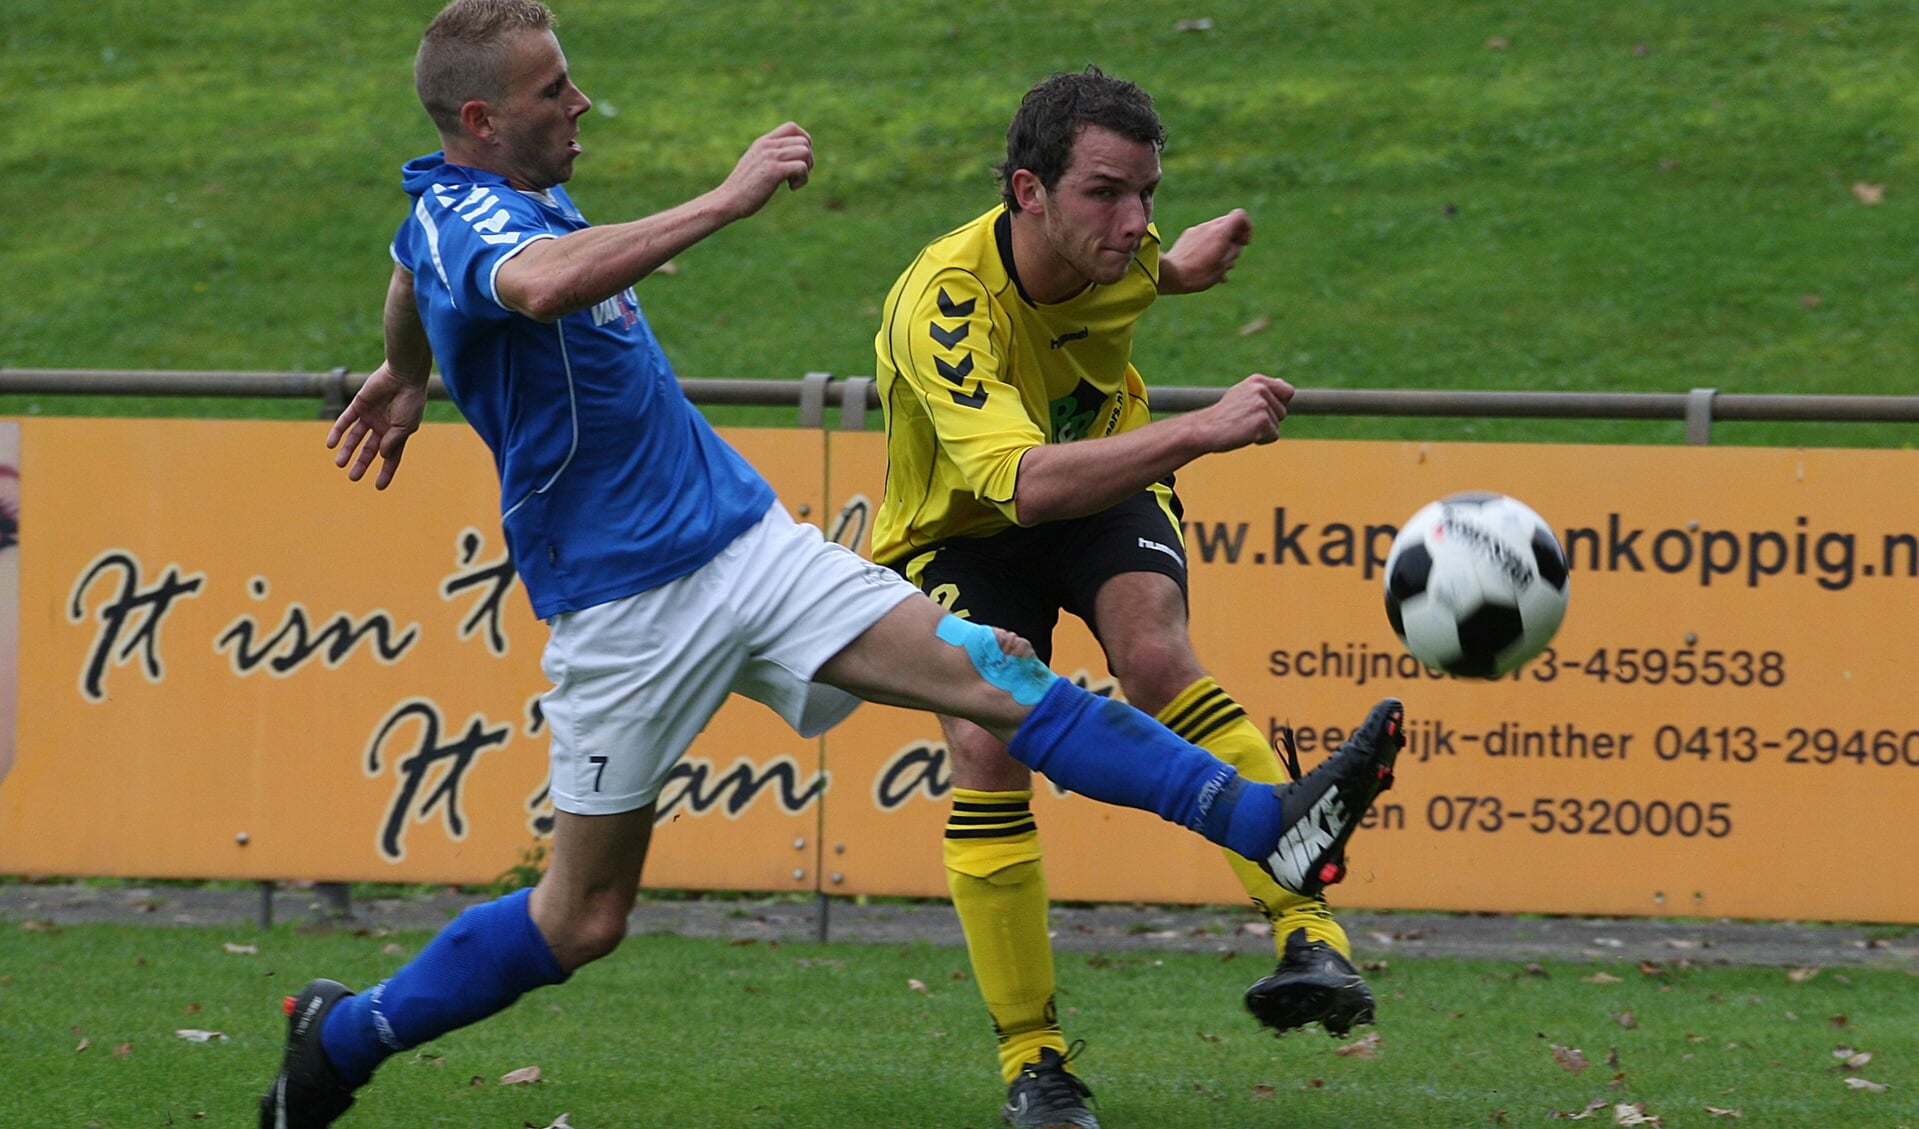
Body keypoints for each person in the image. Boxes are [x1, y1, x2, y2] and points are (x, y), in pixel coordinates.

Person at [260, 5, 1404, 1126]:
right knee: (583, 917)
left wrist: (405, 369)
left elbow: (411, 267)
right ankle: (343, 1037)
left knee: (994, 679)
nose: (579, 100)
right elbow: (541, 281)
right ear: (479, 117)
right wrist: (726, 195)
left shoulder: (491, 199)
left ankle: (1264, 823)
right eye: (552, 87)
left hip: (749, 544)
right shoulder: (475, 216)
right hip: (626, 607)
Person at [872, 68, 1390, 1129]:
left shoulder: (1115, 247)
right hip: (964, 524)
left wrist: (1188, 268)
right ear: (1028, 193)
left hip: (1095, 477)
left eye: (1147, 193)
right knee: (985, 744)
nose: (1135, 220)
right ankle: (1035, 1064)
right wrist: (1198, 427)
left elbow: (1144, 270)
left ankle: (1310, 937)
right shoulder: (942, 303)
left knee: (1154, 654)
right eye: (1107, 194)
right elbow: (1016, 485)